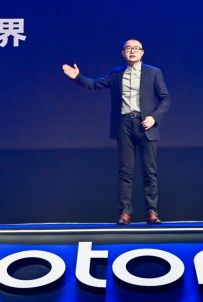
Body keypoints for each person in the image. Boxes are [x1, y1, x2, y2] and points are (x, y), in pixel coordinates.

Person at [63, 39, 171, 225]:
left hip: (146, 125)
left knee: (149, 171)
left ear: (142, 52)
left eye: (136, 48)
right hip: (124, 125)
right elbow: (95, 84)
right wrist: (77, 77)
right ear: (123, 53)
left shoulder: (153, 72)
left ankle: (151, 211)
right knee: (125, 171)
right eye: (128, 48)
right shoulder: (116, 74)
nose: (132, 51)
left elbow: (165, 99)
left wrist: (154, 118)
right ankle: (125, 212)